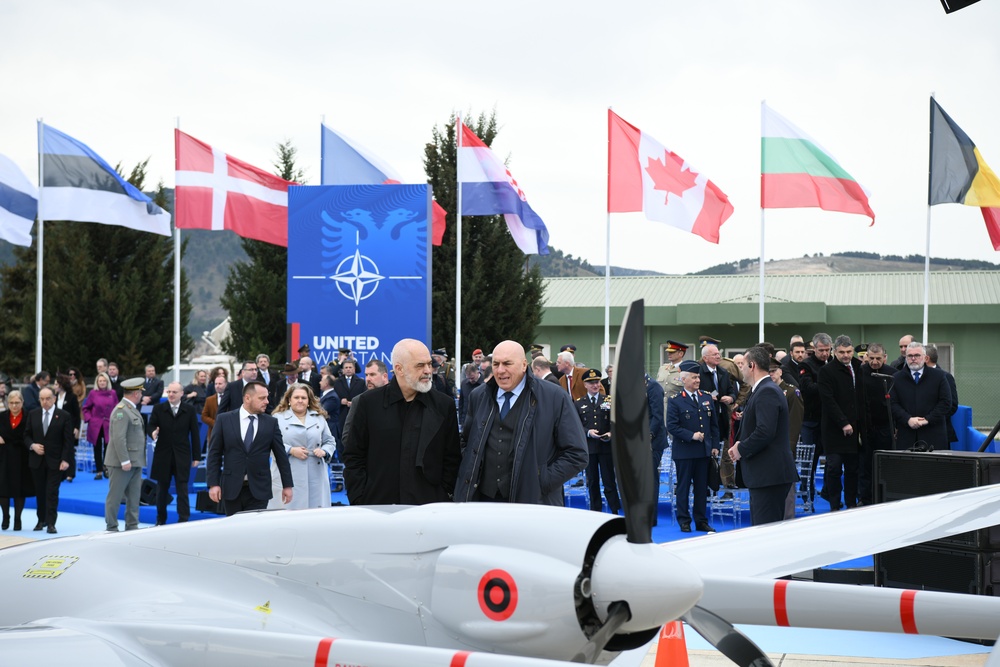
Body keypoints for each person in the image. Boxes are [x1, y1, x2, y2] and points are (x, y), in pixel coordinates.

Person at [455, 340, 588, 505]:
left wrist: (540, 482)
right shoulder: (478, 396)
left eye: (507, 363)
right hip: (484, 502)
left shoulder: (554, 397)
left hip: (533, 504)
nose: (500, 370)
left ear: (524, 365)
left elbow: (577, 454)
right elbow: (466, 442)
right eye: (496, 364)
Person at [343, 339, 461, 505]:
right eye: (420, 365)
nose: (428, 371)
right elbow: (354, 456)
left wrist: (443, 495)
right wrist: (359, 498)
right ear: (399, 369)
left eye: (429, 364)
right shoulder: (368, 403)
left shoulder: (444, 405)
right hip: (377, 508)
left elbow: (452, 459)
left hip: (429, 510)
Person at [728, 346, 798, 526]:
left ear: (752, 366)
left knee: (765, 531)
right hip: (765, 475)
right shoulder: (761, 390)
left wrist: (740, 448)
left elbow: (765, 431)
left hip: (769, 475)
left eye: (742, 364)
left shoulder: (767, 391)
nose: (740, 369)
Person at [207, 381, 293, 515]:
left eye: (267, 397)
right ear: (247, 398)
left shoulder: (271, 423)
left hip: (259, 489)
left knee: (255, 532)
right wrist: (213, 484)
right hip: (231, 488)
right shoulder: (224, 420)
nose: (267, 401)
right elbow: (214, 454)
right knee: (234, 531)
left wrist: (287, 485)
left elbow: (281, 456)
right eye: (262, 398)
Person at [667, 360, 719, 533]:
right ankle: (684, 520)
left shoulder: (706, 397)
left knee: (701, 488)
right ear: (684, 379)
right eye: (694, 377)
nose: (698, 380)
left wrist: (714, 445)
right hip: (684, 451)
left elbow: (713, 425)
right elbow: (672, 426)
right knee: (683, 487)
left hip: (703, 451)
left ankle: (701, 520)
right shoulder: (675, 401)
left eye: (698, 377)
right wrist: (692, 436)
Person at [817, 335, 867, 511]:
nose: (846, 355)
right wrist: (843, 422)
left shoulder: (859, 367)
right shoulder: (826, 371)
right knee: (834, 468)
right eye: (841, 352)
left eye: (849, 351)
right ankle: (834, 505)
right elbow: (828, 400)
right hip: (834, 429)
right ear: (834, 352)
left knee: (853, 469)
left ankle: (851, 503)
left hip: (855, 429)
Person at [268, 383, 337, 509]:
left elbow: (330, 441)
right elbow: (269, 444)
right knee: (288, 515)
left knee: (315, 516)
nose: (300, 401)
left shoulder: (319, 418)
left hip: (315, 474)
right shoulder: (277, 418)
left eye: (304, 398)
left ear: (309, 400)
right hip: (288, 473)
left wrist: (324, 451)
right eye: (296, 397)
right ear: (289, 400)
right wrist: (291, 450)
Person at [147, 382, 202, 525]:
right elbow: (151, 425)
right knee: (161, 490)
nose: (171, 394)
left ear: (181, 394)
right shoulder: (159, 409)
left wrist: (196, 456)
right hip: (163, 454)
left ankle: (183, 519)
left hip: (182, 455)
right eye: (169, 392)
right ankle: (160, 520)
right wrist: (153, 432)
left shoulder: (189, 410)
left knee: (182, 489)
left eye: (174, 392)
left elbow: (195, 434)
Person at [25, 387, 75, 533]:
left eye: (48, 398)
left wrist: (66, 460)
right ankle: (41, 520)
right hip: (37, 461)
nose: (45, 402)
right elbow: (26, 435)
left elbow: (68, 441)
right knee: (40, 492)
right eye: (42, 399)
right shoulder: (33, 414)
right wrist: (32, 446)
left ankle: (51, 522)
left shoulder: (64, 415)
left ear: (54, 399)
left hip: (56, 461)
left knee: (52, 492)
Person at [890, 341, 953, 451]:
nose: (913, 358)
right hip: (907, 436)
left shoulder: (939, 376)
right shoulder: (896, 378)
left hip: (933, 434)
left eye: (917, 355)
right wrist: (908, 419)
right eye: (910, 356)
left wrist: (927, 419)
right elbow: (892, 404)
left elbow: (946, 402)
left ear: (925, 358)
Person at [104, 378, 147, 532]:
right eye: (140, 392)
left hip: (135, 461)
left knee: (134, 497)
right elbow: (118, 437)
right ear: (136, 393)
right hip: (122, 462)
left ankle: (132, 525)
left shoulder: (131, 408)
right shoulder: (122, 410)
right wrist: (124, 460)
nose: (141, 395)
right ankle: (112, 526)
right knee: (115, 497)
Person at [575, 369, 620, 515]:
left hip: (606, 447)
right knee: (592, 481)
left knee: (609, 480)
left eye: (597, 382)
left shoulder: (608, 400)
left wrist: (611, 432)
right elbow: (575, 426)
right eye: (591, 383)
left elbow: (617, 421)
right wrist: (588, 432)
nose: (595, 385)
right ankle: (595, 511)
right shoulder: (579, 403)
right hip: (590, 448)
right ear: (585, 384)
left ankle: (614, 510)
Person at [0, 391, 33, 531]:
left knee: (20, 489)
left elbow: (27, 435)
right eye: (12, 403)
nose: (14, 406)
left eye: (17, 403)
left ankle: (18, 518)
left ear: (22, 403)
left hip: (22, 457)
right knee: (3, 488)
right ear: (8, 403)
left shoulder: (28, 417)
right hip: (3, 458)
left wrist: (6, 440)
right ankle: (5, 516)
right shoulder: (1, 417)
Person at [82, 372, 118, 479]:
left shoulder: (113, 393)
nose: (102, 383)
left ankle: (106, 468)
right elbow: (86, 408)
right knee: (96, 448)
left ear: (107, 382)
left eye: (104, 381)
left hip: (109, 424)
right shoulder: (93, 393)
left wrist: (118, 420)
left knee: (109, 448)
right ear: (97, 382)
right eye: (100, 381)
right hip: (96, 424)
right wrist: (89, 419)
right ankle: (99, 470)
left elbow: (117, 407)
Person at [52, 373, 81, 483]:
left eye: (56, 384)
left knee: (69, 450)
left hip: (70, 427)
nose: (54, 386)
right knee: (59, 449)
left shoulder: (72, 397)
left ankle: (70, 473)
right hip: (57, 427)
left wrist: (77, 427)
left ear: (62, 384)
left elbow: (76, 414)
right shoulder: (54, 397)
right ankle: (61, 472)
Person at [333, 358, 366, 442]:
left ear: (354, 369)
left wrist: (355, 403)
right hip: (341, 415)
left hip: (356, 414)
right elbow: (332, 398)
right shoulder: (337, 382)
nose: (348, 369)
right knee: (341, 440)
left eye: (350, 367)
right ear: (343, 370)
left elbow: (364, 397)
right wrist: (340, 401)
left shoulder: (361, 382)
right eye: (346, 367)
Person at [201, 373, 228, 448]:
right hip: (213, 433)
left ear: (226, 384)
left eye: (220, 384)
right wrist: (215, 423)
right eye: (216, 384)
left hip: (229, 433)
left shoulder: (231, 398)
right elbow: (204, 416)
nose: (217, 386)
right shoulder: (209, 400)